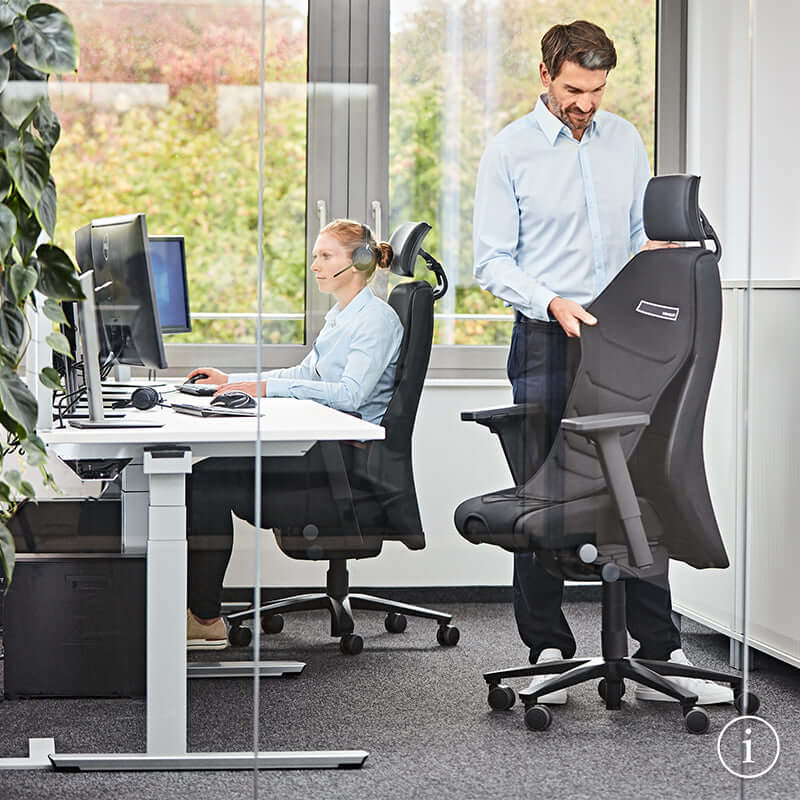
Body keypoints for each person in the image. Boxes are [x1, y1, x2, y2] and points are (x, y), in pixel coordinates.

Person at [472, 20, 732, 705]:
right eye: (573, 89)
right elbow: (491, 259)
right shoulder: (510, 151)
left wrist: (657, 263)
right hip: (546, 336)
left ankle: (659, 652)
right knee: (547, 489)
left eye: (596, 89)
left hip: (617, 341)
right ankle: (549, 648)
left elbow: (633, 236)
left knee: (634, 486)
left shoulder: (624, 139)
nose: (586, 102)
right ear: (546, 76)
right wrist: (550, 299)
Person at [184, 219, 403, 649]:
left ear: (357, 262)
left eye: (325, 256)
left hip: (342, 472)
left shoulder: (375, 320)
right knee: (205, 474)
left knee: (207, 480)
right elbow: (305, 373)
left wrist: (265, 388)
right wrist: (235, 380)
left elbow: (351, 395)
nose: (314, 264)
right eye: (316, 255)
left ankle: (205, 619)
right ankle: (195, 611)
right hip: (323, 457)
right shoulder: (343, 315)